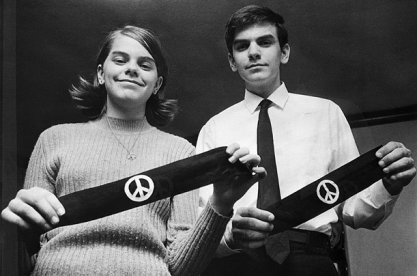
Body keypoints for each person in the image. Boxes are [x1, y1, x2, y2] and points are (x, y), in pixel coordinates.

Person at [1, 25, 266, 275]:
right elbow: (25, 256)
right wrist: (14, 229)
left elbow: (182, 267)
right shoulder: (53, 139)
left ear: (157, 84)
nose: (131, 69)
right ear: (101, 74)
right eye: (120, 60)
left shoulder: (181, 152)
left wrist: (221, 203)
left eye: (144, 64)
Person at [197, 5, 416, 276]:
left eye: (265, 42)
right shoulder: (214, 129)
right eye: (242, 46)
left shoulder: (326, 113)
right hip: (237, 264)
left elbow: (355, 211)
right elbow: (203, 224)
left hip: (312, 262)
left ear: (284, 52)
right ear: (232, 61)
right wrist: (231, 236)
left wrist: (389, 185)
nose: (254, 52)